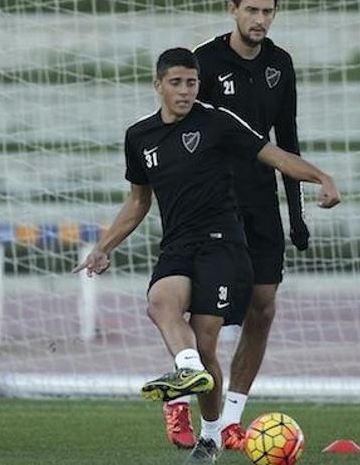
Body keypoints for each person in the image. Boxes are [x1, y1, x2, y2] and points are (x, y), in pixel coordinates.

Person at [74, 47, 338, 464]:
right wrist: (104, 247)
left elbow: (277, 157)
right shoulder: (139, 137)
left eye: (191, 83)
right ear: (157, 84)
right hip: (178, 245)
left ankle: (210, 434)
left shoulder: (218, 121)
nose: (184, 91)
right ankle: (187, 369)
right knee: (160, 304)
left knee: (206, 339)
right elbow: (138, 201)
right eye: (176, 83)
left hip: (222, 243)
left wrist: (321, 177)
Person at [161, 0, 310, 450]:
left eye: (268, 12)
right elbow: (180, 133)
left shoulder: (280, 65)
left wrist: (297, 211)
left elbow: (285, 138)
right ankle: (180, 400)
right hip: (214, 206)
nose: (260, 20)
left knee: (262, 308)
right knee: (200, 317)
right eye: (251, 10)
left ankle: (230, 419)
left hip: (261, 201)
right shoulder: (204, 62)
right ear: (233, 10)